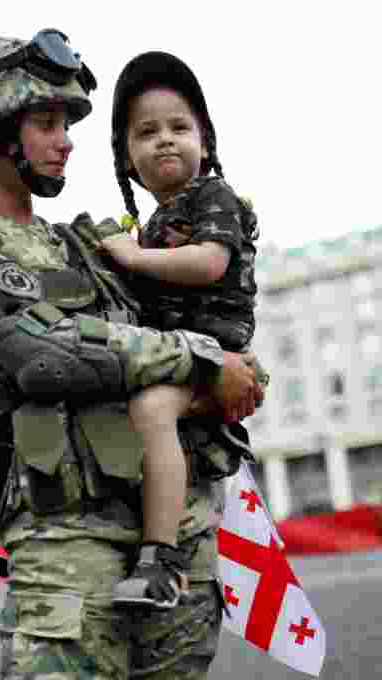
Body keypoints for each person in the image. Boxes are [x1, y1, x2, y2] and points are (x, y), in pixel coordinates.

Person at [0, 30, 264, 679]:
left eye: (65, 122)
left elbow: (208, 333)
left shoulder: (87, 249)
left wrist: (229, 366)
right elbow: (46, 355)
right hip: (67, 551)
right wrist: (199, 359)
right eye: (46, 122)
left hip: (172, 546)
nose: (66, 138)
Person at [83, 51, 266, 610]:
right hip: (181, 352)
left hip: (215, 350)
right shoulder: (152, 222)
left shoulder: (215, 197)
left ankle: (160, 560)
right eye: (147, 132)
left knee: (152, 410)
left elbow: (210, 262)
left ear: (205, 143)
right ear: (128, 158)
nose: (165, 140)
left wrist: (133, 258)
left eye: (179, 127)